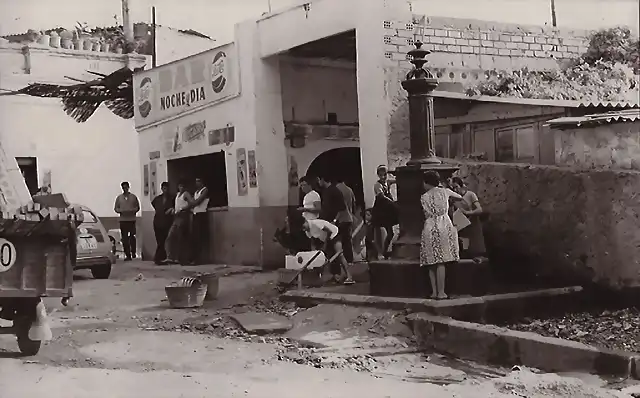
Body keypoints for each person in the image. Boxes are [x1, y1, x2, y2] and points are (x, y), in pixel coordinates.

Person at [420, 171, 463, 300]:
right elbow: (460, 196)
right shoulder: (445, 191)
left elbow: (425, 214)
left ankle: (434, 292)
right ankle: (441, 292)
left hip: (430, 226)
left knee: (431, 261)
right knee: (441, 261)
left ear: (427, 183)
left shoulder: (423, 197)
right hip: (444, 224)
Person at [301, 216, 354, 285]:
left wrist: (325, 245)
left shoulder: (315, 223)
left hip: (334, 233)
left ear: (305, 222)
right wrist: (314, 253)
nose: (303, 229)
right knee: (331, 257)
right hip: (325, 238)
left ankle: (349, 276)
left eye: (303, 227)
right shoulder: (307, 231)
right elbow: (313, 242)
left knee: (339, 254)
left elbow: (329, 231)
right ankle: (336, 276)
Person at [317, 173, 348, 282]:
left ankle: (347, 275)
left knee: (338, 252)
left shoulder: (335, 191)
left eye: (319, 179)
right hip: (327, 225)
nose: (318, 182)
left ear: (323, 179)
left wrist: (334, 221)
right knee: (330, 251)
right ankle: (335, 274)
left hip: (334, 225)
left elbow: (341, 208)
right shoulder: (326, 192)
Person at [451, 177, 487, 260]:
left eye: (456, 187)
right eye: (453, 188)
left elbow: (479, 209)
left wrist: (468, 212)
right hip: (461, 224)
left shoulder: (470, 194)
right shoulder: (454, 197)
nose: (455, 190)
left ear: (461, 186)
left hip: (472, 223)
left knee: (474, 247)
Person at [371, 165, 398, 260]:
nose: (383, 177)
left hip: (387, 210)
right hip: (380, 211)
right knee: (379, 233)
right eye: (381, 175)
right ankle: (380, 253)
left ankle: (385, 251)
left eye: (385, 175)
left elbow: (396, 181)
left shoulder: (388, 182)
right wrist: (393, 203)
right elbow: (382, 197)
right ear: (378, 175)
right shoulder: (377, 185)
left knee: (391, 233)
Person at [165, 180, 194, 265]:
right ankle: (170, 257)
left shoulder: (186, 194)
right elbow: (177, 206)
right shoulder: (177, 195)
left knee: (181, 237)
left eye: (182, 186)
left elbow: (191, 203)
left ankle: (180, 258)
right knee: (171, 236)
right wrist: (173, 210)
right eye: (180, 186)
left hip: (183, 216)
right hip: (176, 217)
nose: (181, 188)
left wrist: (183, 209)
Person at [114, 181, 140, 261]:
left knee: (132, 236)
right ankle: (127, 254)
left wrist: (132, 210)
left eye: (126, 187)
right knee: (124, 238)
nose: (125, 189)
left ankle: (133, 252)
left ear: (128, 187)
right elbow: (116, 208)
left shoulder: (133, 197)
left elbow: (137, 207)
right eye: (123, 188)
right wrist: (121, 211)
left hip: (131, 219)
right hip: (123, 220)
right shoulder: (119, 198)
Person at [151, 182, 175, 265]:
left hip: (167, 222)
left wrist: (171, 209)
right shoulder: (157, 199)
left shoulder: (172, 198)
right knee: (160, 241)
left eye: (167, 188)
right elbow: (153, 204)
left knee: (163, 241)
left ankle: (158, 258)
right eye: (164, 188)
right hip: (157, 222)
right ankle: (161, 258)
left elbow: (175, 207)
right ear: (162, 189)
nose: (165, 190)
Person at [335, 177, 356, 266]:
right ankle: (350, 260)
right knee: (348, 240)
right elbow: (354, 203)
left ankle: (341, 261)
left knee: (339, 241)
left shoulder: (336, 190)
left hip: (340, 218)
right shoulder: (349, 190)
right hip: (349, 218)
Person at [190, 177, 210, 265]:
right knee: (194, 237)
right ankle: (195, 258)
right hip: (195, 214)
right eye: (196, 181)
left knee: (200, 237)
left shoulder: (204, 190)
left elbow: (197, 202)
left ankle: (200, 259)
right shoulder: (195, 192)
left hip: (202, 214)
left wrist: (191, 202)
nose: (197, 183)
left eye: (198, 181)